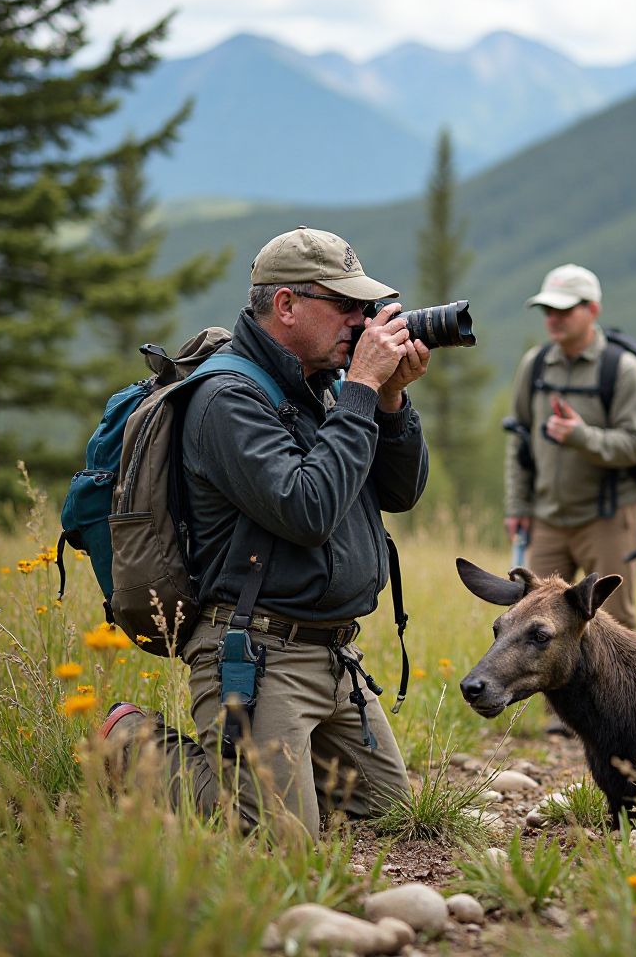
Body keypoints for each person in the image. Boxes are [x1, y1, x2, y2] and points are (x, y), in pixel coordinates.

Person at [101, 225, 430, 837]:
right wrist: (360, 391)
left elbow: (400, 493)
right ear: (286, 305)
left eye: (365, 308)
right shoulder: (227, 399)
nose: (361, 322)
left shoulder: (320, 387)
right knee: (276, 835)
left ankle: (286, 771)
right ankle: (129, 742)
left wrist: (388, 402)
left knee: (389, 815)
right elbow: (305, 510)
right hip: (258, 650)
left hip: (333, 653)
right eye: (346, 305)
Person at [504, 264, 636, 630]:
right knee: (530, 620)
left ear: (593, 310)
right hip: (547, 518)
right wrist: (518, 505)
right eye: (548, 310)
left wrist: (581, 436)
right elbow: (519, 438)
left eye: (565, 309)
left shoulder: (622, 370)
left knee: (616, 624)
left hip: (608, 518)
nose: (553, 318)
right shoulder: (536, 365)